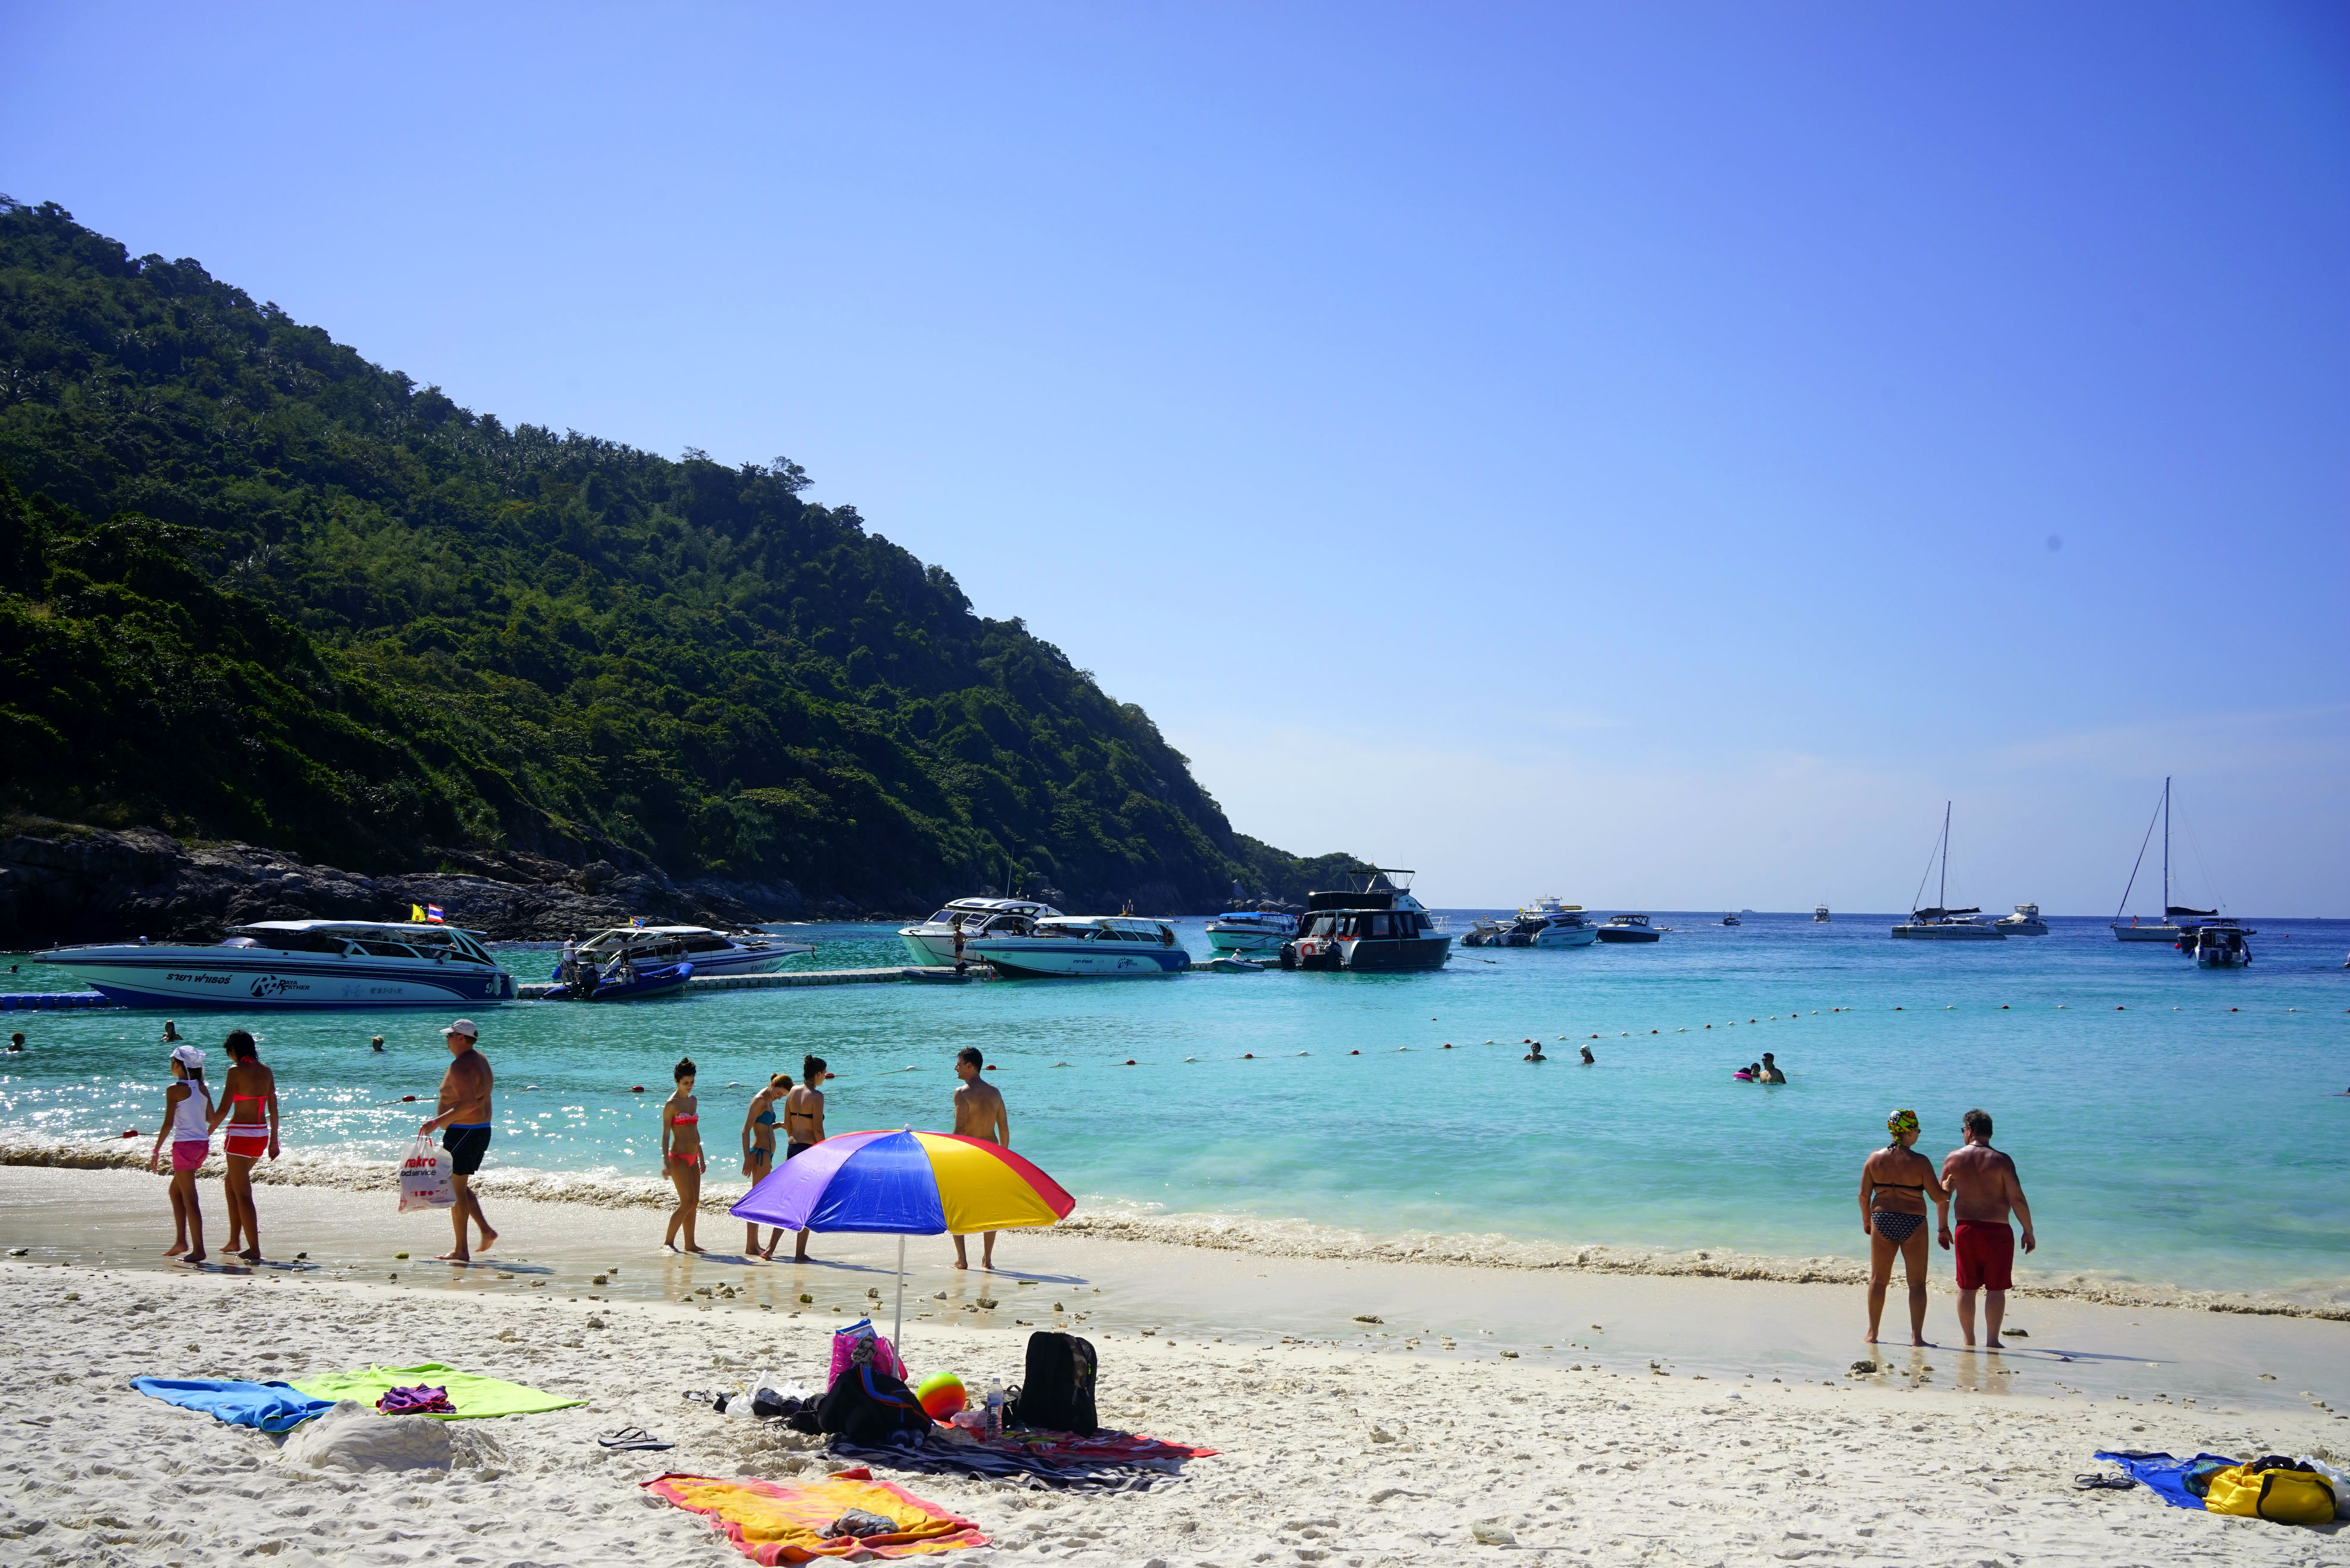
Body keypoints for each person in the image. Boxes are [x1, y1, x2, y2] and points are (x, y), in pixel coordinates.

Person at [1939, 1109, 2036, 1349]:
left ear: (1970, 1130)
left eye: (1963, 1130)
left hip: (1966, 1231)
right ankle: (1992, 1341)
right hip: (1998, 1232)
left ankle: (1969, 1340)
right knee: (1996, 1289)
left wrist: (1943, 1228)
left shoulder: (1953, 1159)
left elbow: (1942, 1197)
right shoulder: (2002, 1161)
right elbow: (2017, 1199)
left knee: (1967, 1287)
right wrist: (2028, 1230)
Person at [1859, 1109, 1950, 1347]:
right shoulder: (1920, 1162)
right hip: (1913, 1222)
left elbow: (1863, 1195)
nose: (1918, 1134)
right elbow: (1938, 1198)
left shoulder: (1874, 1159)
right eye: (1917, 1130)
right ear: (1909, 1132)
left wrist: (1867, 1221)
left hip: (1882, 1220)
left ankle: (1872, 1334)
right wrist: (1949, 1187)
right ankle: (1917, 1338)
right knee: (1917, 1283)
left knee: (1878, 1280)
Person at [418, 1019, 497, 1262]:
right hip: (477, 1130)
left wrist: (435, 1123)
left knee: (455, 1190)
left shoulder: (461, 1066)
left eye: (450, 1036)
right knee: (458, 1185)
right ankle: (486, 1231)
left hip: (465, 1132)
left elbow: (469, 1104)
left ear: (461, 1038)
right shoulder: (479, 1059)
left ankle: (461, 1251)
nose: (447, 1040)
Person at [207, 1029, 279, 1262]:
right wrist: (274, 1141)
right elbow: (273, 1108)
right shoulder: (266, 1071)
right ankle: (234, 1240)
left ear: (235, 1050)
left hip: (240, 1135)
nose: (228, 1055)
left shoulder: (235, 1071)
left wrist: (205, 1134)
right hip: (260, 1135)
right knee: (231, 1183)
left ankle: (254, 1248)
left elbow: (223, 1109)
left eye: (228, 1051)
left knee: (243, 1193)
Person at [148, 1044, 212, 1262]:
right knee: (175, 1192)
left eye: (172, 1062)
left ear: (178, 1065)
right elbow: (211, 1118)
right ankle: (181, 1241)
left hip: (184, 1147)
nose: (171, 1066)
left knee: (190, 1199)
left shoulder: (174, 1089)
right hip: (202, 1146)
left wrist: (156, 1150)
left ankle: (199, 1250)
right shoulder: (202, 1087)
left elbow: (168, 1124)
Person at [950, 1047, 1010, 1270]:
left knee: (957, 1206)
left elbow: (960, 1129)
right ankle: (988, 1260)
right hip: (992, 1154)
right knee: (989, 1208)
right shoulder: (995, 1093)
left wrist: (948, 1154)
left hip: (968, 1154)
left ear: (969, 1066)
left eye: (958, 1064)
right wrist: (1005, 1155)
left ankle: (962, 1260)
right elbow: (1004, 1129)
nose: (955, 1068)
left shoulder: (961, 1093)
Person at [769, 1055, 830, 1262]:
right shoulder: (817, 1096)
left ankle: (770, 1249)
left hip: (793, 1148)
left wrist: (795, 1140)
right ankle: (799, 1254)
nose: (824, 1077)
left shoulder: (793, 1092)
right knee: (808, 1203)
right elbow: (817, 1129)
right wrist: (825, 1151)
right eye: (824, 1073)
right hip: (810, 1150)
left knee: (788, 1200)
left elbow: (787, 1124)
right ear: (818, 1074)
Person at [740, 1072, 792, 1254]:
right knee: (756, 1199)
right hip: (759, 1154)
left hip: (766, 1155)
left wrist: (778, 1125)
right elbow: (746, 1130)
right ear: (773, 1084)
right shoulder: (760, 1100)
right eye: (779, 1093)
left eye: (783, 1096)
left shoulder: (769, 1100)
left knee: (759, 1199)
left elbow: (764, 1125)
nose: (780, 1097)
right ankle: (750, 1246)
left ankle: (753, 1244)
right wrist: (747, 1159)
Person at [660, 1056, 704, 1253]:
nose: (689, 1085)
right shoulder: (671, 1104)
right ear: (676, 1081)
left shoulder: (693, 1100)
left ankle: (690, 1244)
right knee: (687, 1202)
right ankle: (668, 1242)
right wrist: (665, 1163)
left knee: (694, 1203)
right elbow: (665, 1135)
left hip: (693, 1158)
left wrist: (701, 1156)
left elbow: (695, 1131)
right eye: (686, 1082)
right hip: (678, 1158)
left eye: (692, 1082)